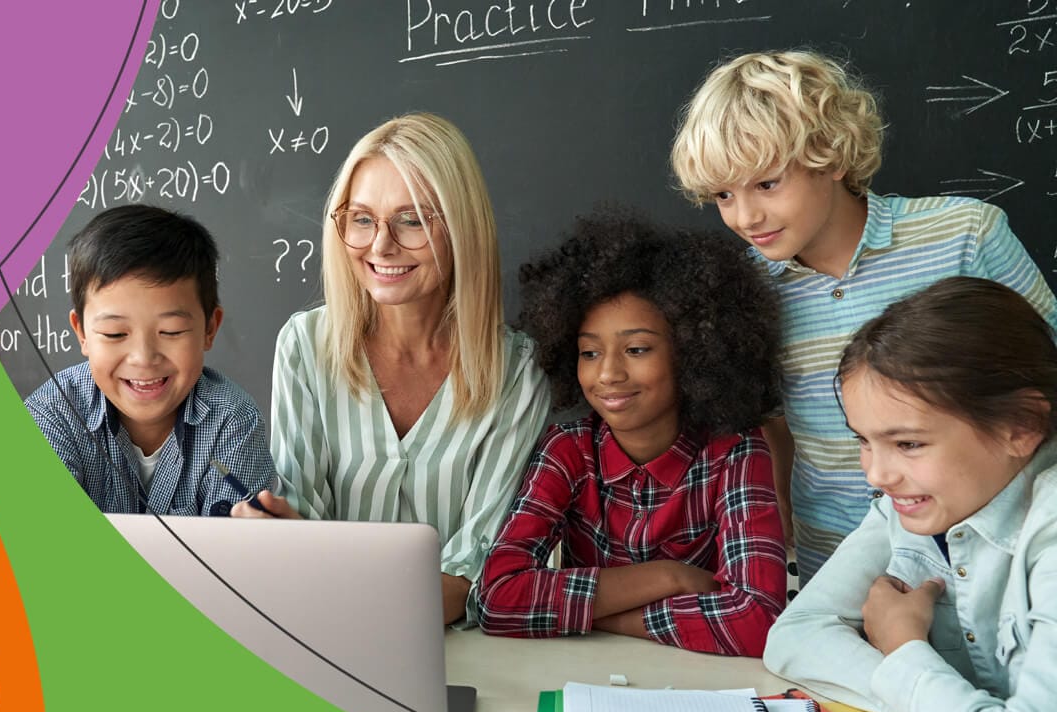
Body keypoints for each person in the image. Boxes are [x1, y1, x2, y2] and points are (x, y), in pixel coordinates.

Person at [669, 49, 1057, 582]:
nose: (745, 216)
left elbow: (1047, 387)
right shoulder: (743, 290)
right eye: (722, 194)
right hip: (838, 568)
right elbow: (774, 423)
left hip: (994, 565)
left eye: (766, 184)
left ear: (830, 155)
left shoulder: (965, 236)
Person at [233, 112, 551, 626]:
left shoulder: (516, 370)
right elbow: (301, 535)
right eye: (361, 219)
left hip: (462, 655)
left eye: (412, 221)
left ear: (461, 226)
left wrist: (326, 571)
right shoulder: (305, 346)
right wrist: (280, 536)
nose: (380, 246)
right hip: (328, 637)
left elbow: (480, 575)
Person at [765, 277, 1057, 712]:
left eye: (908, 443)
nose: (877, 474)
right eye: (864, 441)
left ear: (1022, 425)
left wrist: (904, 651)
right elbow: (795, 637)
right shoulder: (913, 503)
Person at [476, 213, 786, 657]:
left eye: (637, 349)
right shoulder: (567, 449)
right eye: (589, 352)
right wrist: (669, 577)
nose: (608, 373)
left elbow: (758, 619)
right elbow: (497, 598)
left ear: (693, 351)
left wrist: (598, 616)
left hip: (701, 681)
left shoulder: (733, 448)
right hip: (585, 675)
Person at [23, 204, 275, 516]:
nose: (143, 358)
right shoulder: (53, 414)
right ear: (82, 333)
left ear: (210, 329)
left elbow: (236, 554)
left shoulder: (233, 421)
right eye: (115, 334)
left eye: (171, 331)